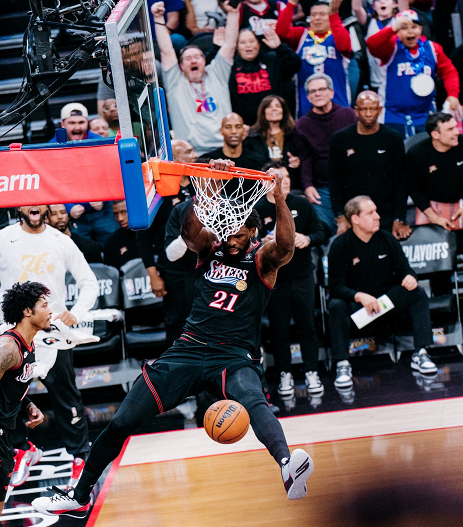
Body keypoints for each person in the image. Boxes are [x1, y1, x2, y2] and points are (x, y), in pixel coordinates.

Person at [31, 163, 314, 518]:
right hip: (187, 350)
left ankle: (288, 466)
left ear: (254, 232)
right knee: (122, 422)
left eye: (239, 235)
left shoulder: (262, 258)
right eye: (227, 233)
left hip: (232, 355)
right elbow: (190, 232)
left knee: (255, 401)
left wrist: (280, 199)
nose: (231, 240)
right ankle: (79, 494)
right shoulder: (209, 249)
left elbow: (286, 245)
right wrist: (205, 191)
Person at [0, 206, 98, 490]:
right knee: (9, 396)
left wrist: (76, 313)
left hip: (51, 332)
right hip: (13, 333)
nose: (34, 207)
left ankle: (79, 459)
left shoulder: (59, 240)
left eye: (40, 203)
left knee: (66, 398)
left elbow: (88, 281)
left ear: (46, 206)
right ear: (19, 206)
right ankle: (22, 449)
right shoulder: (4, 238)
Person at [328, 196, 436, 390]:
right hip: (360, 310)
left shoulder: (387, 238)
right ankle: (342, 364)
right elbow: (335, 286)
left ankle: (421, 353)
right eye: (370, 213)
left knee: (416, 292)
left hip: (387, 304)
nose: (377, 216)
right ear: (355, 219)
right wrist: (359, 296)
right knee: (336, 305)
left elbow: (405, 270)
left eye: (376, 211)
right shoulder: (340, 245)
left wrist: (410, 277)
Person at [255, 161, 327, 397]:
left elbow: (321, 232)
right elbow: (248, 241)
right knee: (279, 330)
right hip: (274, 279)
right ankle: (285, 373)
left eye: (286, 176)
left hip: (302, 276)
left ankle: (311, 371)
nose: (284, 181)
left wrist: (308, 238)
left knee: (307, 326)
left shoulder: (301, 204)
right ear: (266, 182)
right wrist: (261, 243)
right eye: (278, 177)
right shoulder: (257, 208)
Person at [153, 1, 239, 156]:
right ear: (181, 66)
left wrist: (233, 13)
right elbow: (166, 51)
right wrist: (158, 18)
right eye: (188, 58)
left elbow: (230, 46)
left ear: (204, 61)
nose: (193, 60)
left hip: (224, 150)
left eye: (198, 57)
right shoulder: (176, 82)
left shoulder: (217, 74)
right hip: (192, 155)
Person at [366, 9, 461, 138]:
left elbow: (449, 72)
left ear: (420, 29)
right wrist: (392, 28)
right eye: (404, 28)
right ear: (397, 31)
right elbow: (371, 44)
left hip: (426, 116)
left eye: (414, 27)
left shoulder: (433, 49)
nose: (410, 32)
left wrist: (453, 94)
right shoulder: (390, 47)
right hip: (392, 116)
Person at [329, 90, 411, 238]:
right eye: (363, 109)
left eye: (372, 109)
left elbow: (400, 182)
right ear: (356, 111)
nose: (368, 114)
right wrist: (340, 217)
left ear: (380, 110)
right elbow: (334, 181)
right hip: (353, 216)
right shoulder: (340, 139)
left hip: (386, 215)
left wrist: (399, 218)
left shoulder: (393, 139)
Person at [0, 282, 50, 513]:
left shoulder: (27, 343)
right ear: (27, 311)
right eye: (44, 305)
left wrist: (28, 404)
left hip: (6, 430)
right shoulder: (8, 349)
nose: (50, 311)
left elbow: (10, 384)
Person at [294, 73, 357, 234]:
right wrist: (308, 186)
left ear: (331, 92)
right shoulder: (302, 125)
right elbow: (305, 158)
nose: (318, 94)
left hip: (352, 183)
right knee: (326, 229)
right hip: (322, 187)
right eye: (313, 91)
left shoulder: (348, 114)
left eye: (322, 89)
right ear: (308, 97)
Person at [276, 0, 352, 117]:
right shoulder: (301, 35)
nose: (317, 18)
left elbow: (345, 46)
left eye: (322, 14)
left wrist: (334, 14)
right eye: (313, 14)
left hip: (338, 104)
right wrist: (291, 3)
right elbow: (281, 32)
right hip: (307, 108)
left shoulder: (338, 34)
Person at [229, 27, 301, 126]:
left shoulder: (271, 59)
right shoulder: (230, 66)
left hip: (274, 122)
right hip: (245, 126)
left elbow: (295, 65)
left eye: (251, 41)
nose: (248, 45)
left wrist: (279, 47)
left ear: (258, 44)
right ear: (237, 46)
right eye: (243, 42)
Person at [406, 112, 463, 231]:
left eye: (455, 127)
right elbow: (413, 189)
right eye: (450, 129)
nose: (457, 132)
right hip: (430, 208)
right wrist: (434, 218)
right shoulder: (417, 154)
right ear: (435, 134)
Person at [245, 95, 301, 188]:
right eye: (269, 106)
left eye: (278, 106)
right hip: (263, 186)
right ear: (263, 112)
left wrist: (297, 162)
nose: (274, 109)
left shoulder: (294, 134)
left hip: (289, 184)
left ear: (283, 110)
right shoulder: (253, 136)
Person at [352, 0, 407, 91]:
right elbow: (356, 8)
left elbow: (405, 7)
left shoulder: (400, 20)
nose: (382, 2)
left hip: (398, 77)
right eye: (378, 0)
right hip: (376, 80)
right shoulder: (369, 22)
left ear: (395, 4)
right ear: (373, 6)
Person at [103, 201, 140, 270]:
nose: (120, 219)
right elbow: (111, 273)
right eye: (116, 214)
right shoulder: (111, 242)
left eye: (124, 212)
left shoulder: (152, 234)